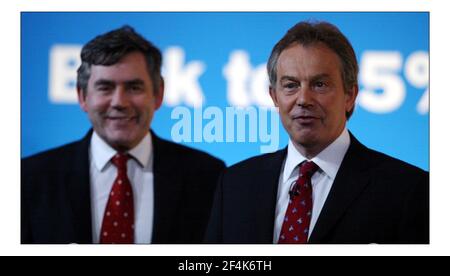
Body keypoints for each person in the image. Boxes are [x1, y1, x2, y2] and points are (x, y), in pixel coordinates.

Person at [205, 21, 429, 244]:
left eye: (320, 84)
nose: (303, 100)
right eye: (291, 85)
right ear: (274, 96)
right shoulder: (235, 184)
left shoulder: (409, 190)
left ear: (350, 96)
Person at [21, 26, 225, 244]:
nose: (119, 102)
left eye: (134, 87)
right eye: (105, 87)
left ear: (158, 94)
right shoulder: (28, 179)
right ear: (82, 96)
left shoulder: (209, 176)